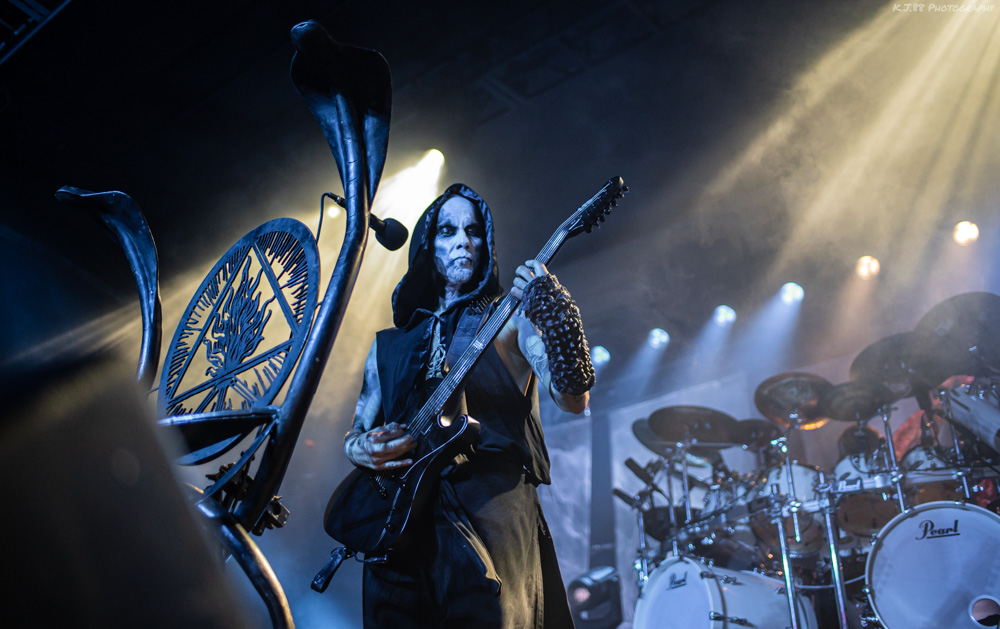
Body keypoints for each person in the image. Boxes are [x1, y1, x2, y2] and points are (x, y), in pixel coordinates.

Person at [342, 183, 594, 628]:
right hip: (399, 518)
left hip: (489, 505)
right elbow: (358, 429)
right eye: (448, 231)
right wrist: (359, 449)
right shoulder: (387, 346)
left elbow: (574, 398)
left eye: (474, 230)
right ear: (426, 245)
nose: (463, 240)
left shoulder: (511, 319)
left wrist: (555, 315)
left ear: (487, 242)